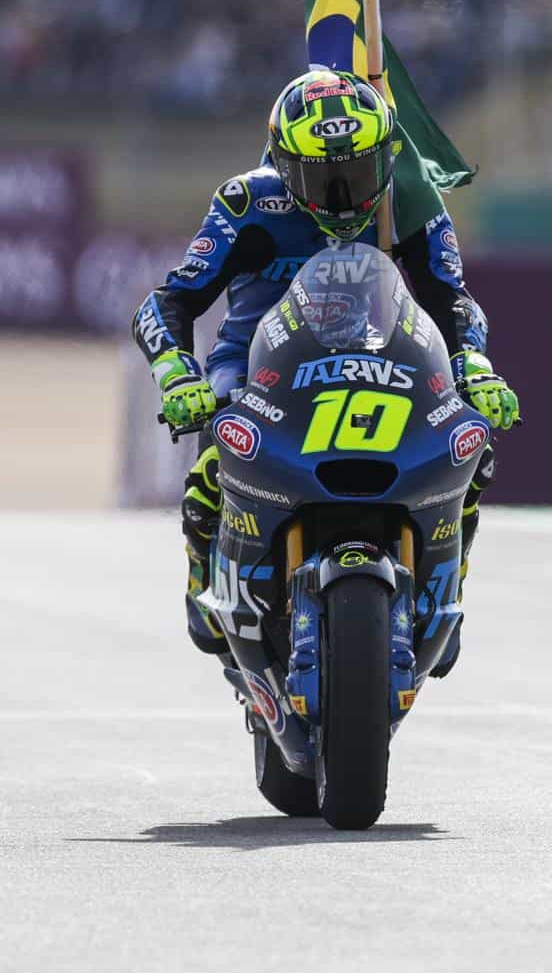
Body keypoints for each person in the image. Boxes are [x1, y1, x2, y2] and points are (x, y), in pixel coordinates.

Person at [131, 68, 519, 658]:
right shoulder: (248, 202)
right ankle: (204, 570)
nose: (345, 195)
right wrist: (176, 374)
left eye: (358, 171)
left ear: (386, 155)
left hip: (385, 353)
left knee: (470, 444)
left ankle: (446, 584)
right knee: (216, 457)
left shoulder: (410, 200)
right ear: (285, 166)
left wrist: (475, 366)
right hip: (260, 362)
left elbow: (452, 298)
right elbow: (169, 301)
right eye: (322, 177)